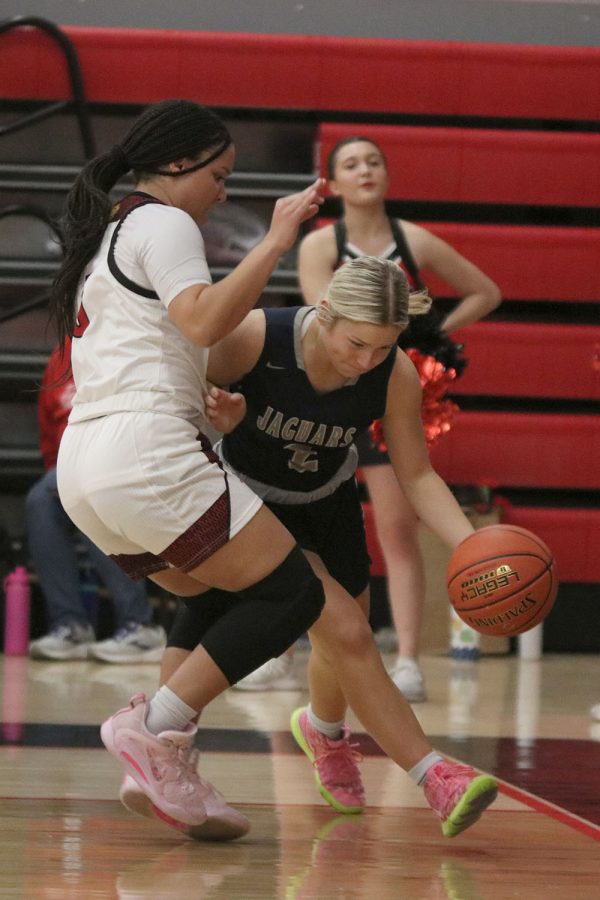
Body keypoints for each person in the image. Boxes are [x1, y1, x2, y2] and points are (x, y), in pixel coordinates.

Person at [121, 256, 499, 839]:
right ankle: (433, 776)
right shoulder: (255, 336)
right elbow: (173, 406)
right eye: (358, 343)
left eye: (383, 347)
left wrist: (473, 547)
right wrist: (224, 420)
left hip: (325, 500)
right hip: (244, 499)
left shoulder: (393, 372)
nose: (367, 360)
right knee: (329, 627)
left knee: (347, 632)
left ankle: (322, 730)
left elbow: (417, 476)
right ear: (324, 314)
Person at [49, 98, 328, 841]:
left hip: (86, 464)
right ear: (178, 164)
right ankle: (154, 729)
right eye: (219, 176)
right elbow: (204, 320)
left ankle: (165, 753)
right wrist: (275, 240)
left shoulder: (110, 230)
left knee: (212, 589)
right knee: (292, 593)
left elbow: (157, 347)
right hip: (142, 452)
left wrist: (212, 418)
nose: (222, 193)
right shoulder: (164, 221)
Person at [287, 134, 502, 702]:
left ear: (387, 174)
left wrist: (431, 334)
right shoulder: (319, 243)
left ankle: (407, 659)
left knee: (396, 528)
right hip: (329, 395)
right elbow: (318, 318)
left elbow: (486, 291)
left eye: (374, 161)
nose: (366, 170)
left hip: (384, 398)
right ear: (332, 184)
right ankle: (279, 649)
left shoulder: (414, 240)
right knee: (292, 522)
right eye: (351, 163)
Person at [27, 341, 166, 663]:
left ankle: (140, 625)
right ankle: (70, 625)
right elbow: (49, 435)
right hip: (70, 468)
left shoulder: (128, 344)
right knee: (41, 501)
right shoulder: (59, 357)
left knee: (91, 490)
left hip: (127, 460)